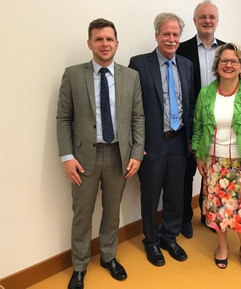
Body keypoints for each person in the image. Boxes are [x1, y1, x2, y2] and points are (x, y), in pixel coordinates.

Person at [56, 18, 145, 289]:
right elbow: (63, 118)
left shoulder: (131, 76)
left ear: (116, 43)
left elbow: (138, 117)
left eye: (109, 39)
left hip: (119, 155)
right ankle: (80, 266)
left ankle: (108, 257)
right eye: (99, 39)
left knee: (112, 211)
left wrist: (137, 152)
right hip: (83, 159)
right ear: (89, 43)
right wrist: (67, 157)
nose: (104, 44)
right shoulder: (73, 74)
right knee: (82, 214)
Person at [192, 43, 241, 274]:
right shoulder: (206, 92)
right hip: (214, 162)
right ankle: (222, 246)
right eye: (224, 61)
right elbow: (197, 127)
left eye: (234, 61)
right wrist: (198, 154)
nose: (228, 65)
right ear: (216, 66)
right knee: (217, 208)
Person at [128, 13, 194, 267]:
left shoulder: (186, 65)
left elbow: (188, 105)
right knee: (150, 194)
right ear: (156, 35)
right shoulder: (139, 64)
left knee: (176, 194)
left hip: (179, 141)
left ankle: (170, 237)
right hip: (152, 142)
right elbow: (131, 109)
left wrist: (191, 140)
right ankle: (152, 242)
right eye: (166, 33)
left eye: (175, 34)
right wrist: (137, 144)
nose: (171, 39)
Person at [176, 0, 225, 238]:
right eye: (202, 17)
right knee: (188, 173)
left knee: (214, 171)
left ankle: (209, 214)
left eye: (212, 17)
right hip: (191, 123)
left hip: (222, 123)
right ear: (195, 21)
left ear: (217, 21)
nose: (207, 21)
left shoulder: (228, 50)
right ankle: (186, 216)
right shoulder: (181, 49)